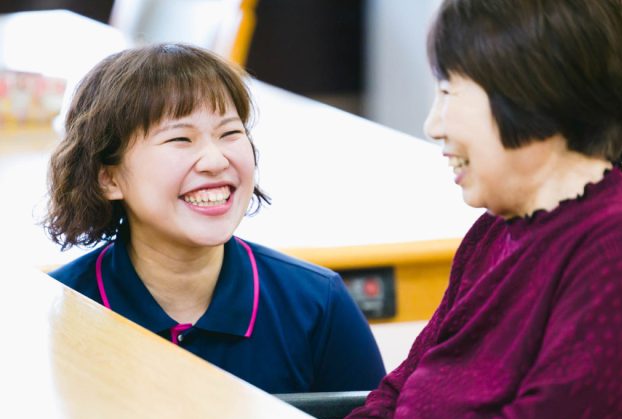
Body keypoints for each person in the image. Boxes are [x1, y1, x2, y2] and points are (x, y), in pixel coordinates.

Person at [338, 1, 622, 419]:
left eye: (448, 91)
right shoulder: (497, 228)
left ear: (530, 97)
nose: (433, 125)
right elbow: (398, 389)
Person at [44, 43, 385, 394]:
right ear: (108, 178)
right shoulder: (59, 309)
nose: (215, 160)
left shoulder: (317, 304)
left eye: (230, 133)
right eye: (180, 138)